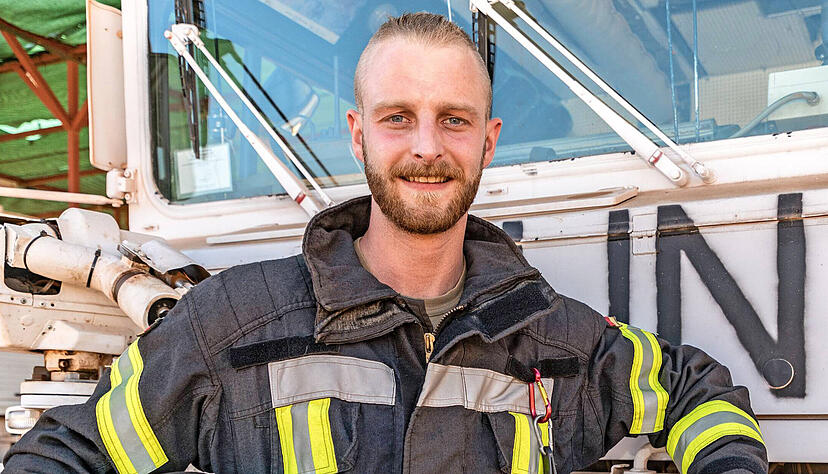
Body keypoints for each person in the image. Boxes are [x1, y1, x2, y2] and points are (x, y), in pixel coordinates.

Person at [4, 12, 767, 474]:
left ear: (489, 142)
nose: (427, 147)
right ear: (358, 132)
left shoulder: (554, 338)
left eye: (455, 119)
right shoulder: (227, 326)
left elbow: (700, 390)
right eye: (398, 117)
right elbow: (73, 451)